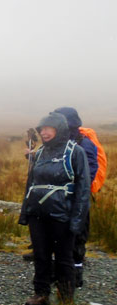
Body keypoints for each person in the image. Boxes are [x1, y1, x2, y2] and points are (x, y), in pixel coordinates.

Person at [19, 112, 90, 305]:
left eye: (48, 128)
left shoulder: (75, 152)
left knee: (64, 259)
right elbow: (30, 184)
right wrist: (25, 213)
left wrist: (77, 222)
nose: (44, 132)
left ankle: (65, 299)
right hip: (37, 215)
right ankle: (41, 293)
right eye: (41, 129)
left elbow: (83, 189)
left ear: (59, 130)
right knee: (40, 255)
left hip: (62, 217)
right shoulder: (40, 153)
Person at [53, 107, 98, 288]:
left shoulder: (85, 144)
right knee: (60, 236)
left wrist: (76, 194)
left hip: (77, 200)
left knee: (77, 235)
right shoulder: (62, 141)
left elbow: (89, 173)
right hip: (60, 200)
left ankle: (75, 276)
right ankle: (60, 273)